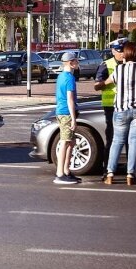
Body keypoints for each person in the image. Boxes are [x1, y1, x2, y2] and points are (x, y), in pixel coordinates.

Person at [101, 41, 136, 186]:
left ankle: (110, 173)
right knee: (134, 141)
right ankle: (131, 173)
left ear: (126, 54)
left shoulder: (118, 70)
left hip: (120, 110)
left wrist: (99, 85)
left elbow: (105, 83)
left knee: (117, 141)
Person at [94, 37, 125, 177]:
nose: (122, 53)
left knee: (126, 137)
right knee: (112, 137)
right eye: (119, 51)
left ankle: (123, 164)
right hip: (111, 106)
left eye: (123, 50)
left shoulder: (129, 63)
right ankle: (107, 167)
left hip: (125, 105)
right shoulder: (106, 65)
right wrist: (109, 80)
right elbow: (97, 86)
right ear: (113, 51)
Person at [53, 51, 80, 185]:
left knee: (71, 141)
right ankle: (60, 173)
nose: (78, 63)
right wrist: (73, 118)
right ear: (71, 63)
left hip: (61, 111)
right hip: (66, 113)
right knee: (65, 141)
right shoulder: (69, 78)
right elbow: (69, 99)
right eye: (76, 61)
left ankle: (66, 170)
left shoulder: (61, 76)